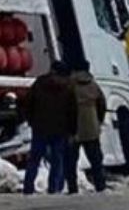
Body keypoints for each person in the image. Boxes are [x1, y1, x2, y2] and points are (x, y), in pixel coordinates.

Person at [19, 60, 78, 195]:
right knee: (57, 160)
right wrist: (72, 130)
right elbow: (73, 111)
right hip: (60, 129)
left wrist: (31, 121)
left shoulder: (39, 83)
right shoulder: (68, 87)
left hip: (40, 128)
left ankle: (28, 187)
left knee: (34, 159)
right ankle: (54, 187)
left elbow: (28, 103)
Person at [70, 60, 108, 193]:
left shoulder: (70, 85)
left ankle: (72, 188)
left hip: (73, 128)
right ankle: (100, 186)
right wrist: (98, 121)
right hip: (91, 127)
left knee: (71, 161)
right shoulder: (93, 85)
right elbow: (102, 104)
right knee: (96, 160)